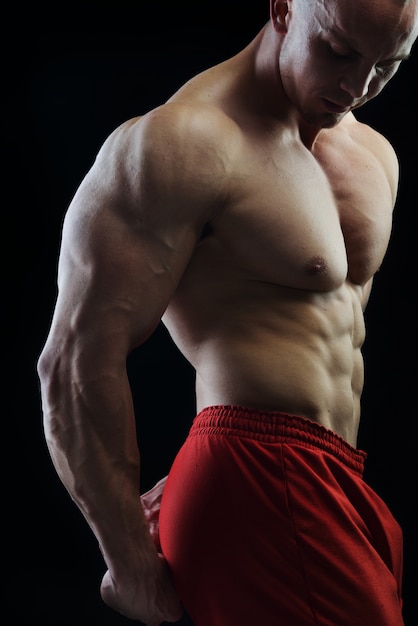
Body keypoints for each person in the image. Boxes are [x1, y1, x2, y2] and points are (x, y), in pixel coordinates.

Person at [37, 1, 418, 625]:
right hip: (262, 483)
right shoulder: (183, 142)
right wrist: (130, 561)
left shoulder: (373, 153)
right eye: (340, 51)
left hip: (338, 485)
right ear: (285, 9)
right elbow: (74, 359)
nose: (356, 86)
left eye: (387, 66)